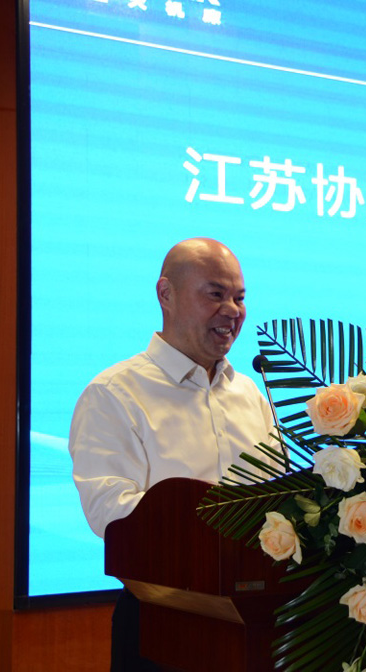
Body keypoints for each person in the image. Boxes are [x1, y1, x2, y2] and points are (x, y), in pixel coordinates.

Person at [69, 238, 277, 671]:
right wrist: (203, 534)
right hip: (162, 618)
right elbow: (110, 511)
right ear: (166, 294)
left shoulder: (250, 394)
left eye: (239, 298)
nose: (232, 311)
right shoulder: (114, 393)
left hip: (256, 618)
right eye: (215, 294)